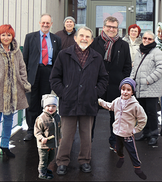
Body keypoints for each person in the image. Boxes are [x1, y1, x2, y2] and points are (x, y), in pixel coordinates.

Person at [50, 26, 108, 175]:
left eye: (87, 36)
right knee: (66, 135)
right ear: (75, 38)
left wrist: (95, 93)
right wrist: (64, 93)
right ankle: (62, 161)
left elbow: (103, 78)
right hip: (68, 102)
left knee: (86, 135)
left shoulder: (96, 57)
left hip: (88, 102)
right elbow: (54, 78)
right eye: (81, 35)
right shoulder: (64, 55)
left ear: (91, 40)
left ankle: (85, 160)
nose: (84, 38)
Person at [0, 24, 31, 166]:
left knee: (9, 121)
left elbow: (22, 67)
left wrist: (23, 81)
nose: (6, 37)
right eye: (3, 35)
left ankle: (5, 146)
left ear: (12, 36)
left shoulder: (16, 51)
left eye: (9, 35)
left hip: (13, 93)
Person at [90, 16, 132, 152]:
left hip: (115, 85)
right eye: (109, 26)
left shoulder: (123, 45)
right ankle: (88, 141)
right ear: (103, 27)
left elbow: (127, 66)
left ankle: (114, 141)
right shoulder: (94, 43)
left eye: (114, 27)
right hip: (96, 84)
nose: (111, 29)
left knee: (115, 116)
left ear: (117, 29)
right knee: (91, 114)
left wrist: (123, 82)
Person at [98, 77, 147, 180]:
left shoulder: (135, 106)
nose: (125, 92)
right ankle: (121, 158)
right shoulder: (117, 101)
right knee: (118, 149)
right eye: (123, 89)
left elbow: (143, 119)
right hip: (117, 132)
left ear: (132, 92)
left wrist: (135, 130)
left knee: (132, 151)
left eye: (128, 90)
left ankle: (137, 168)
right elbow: (110, 106)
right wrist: (100, 102)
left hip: (127, 134)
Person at [23, 13, 62, 141]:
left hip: (48, 72)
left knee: (45, 102)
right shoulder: (30, 37)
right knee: (31, 103)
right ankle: (30, 130)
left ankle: (43, 129)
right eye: (43, 22)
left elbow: (58, 60)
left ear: (51, 24)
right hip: (33, 73)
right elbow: (25, 58)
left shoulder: (56, 39)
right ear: (40, 23)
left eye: (48, 23)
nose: (45, 25)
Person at [131, 30, 162, 146]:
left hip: (151, 89)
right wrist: (131, 82)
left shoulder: (157, 52)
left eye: (149, 39)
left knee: (152, 113)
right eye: (145, 38)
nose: (146, 40)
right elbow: (134, 69)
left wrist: (148, 80)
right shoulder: (139, 52)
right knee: (142, 113)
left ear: (153, 40)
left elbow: (161, 69)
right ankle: (146, 133)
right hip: (139, 89)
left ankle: (154, 135)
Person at [34, 94, 61, 180]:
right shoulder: (41, 118)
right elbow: (37, 131)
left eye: (53, 106)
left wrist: (59, 137)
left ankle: (45, 169)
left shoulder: (57, 117)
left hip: (53, 143)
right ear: (44, 106)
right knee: (43, 160)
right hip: (43, 145)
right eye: (48, 106)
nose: (51, 108)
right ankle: (42, 172)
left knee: (51, 157)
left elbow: (58, 129)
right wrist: (41, 138)